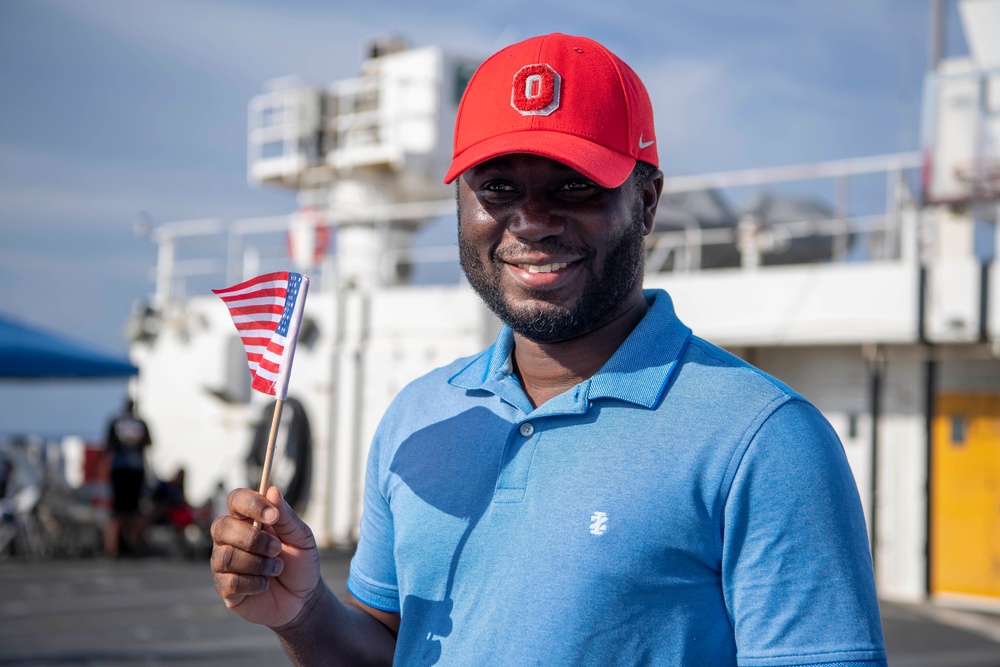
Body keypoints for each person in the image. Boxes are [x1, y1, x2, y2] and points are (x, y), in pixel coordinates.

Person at [211, 33, 888, 666]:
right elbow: (396, 647)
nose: (531, 220)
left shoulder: (765, 440)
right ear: (460, 202)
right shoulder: (417, 416)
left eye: (575, 184)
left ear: (647, 202)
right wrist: (302, 612)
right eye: (498, 187)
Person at [104, 397, 153, 558]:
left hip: (119, 470)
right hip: (135, 470)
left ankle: (113, 549)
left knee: (118, 513)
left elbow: (108, 446)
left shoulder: (116, 422)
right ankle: (133, 547)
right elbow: (149, 443)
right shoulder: (140, 423)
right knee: (134, 512)